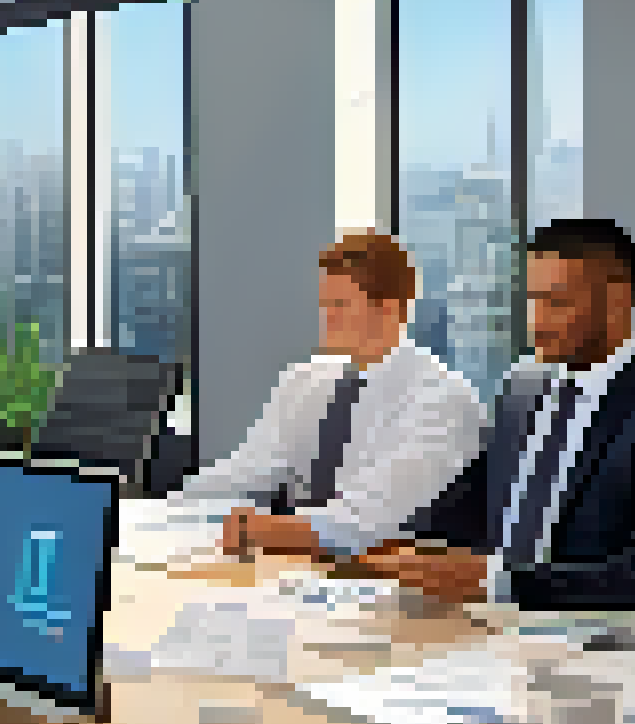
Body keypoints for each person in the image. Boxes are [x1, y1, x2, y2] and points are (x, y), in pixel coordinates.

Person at [360, 219, 635, 624]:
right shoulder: (522, 387)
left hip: (607, 646)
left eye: (556, 302)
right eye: (531, 300)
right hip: (491, 632)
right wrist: (404, 545)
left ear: (617, 303)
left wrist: (498, 583)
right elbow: (474, 502)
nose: (536, 322)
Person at [159, 232, 486, 558]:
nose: (326, 317)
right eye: (325, 303)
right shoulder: (306, 379)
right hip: (291, 564)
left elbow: (373, 515)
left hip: (380, 573)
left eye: (340, 305)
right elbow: (248, 469)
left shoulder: (442, 398)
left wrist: (264, 529)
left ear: (388, 309)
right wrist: (164, 511)